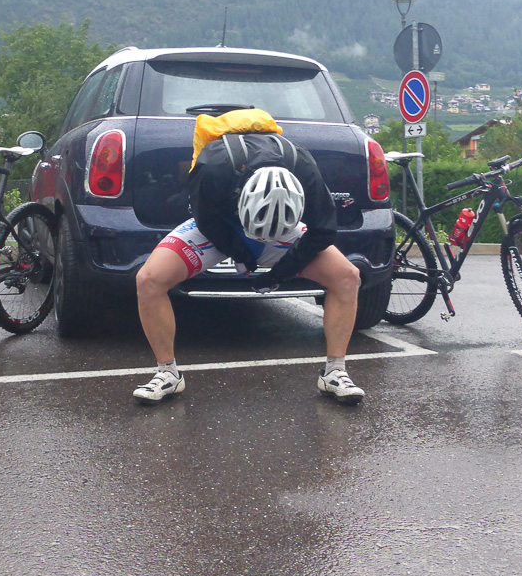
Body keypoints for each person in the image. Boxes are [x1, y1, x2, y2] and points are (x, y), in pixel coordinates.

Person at [133, 109, 364, 406]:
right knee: (149, 280)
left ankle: (335, 373)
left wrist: (278, 274)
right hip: (222, 227)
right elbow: (208, 222)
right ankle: (167, 374)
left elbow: (323, 230)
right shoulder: (213, 167)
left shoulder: (303, 165)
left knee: (347, 277)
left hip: (285, 227)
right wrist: (244, 255)